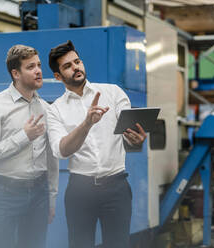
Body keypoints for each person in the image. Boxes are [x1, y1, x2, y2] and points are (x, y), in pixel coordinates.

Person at [46, 40, 146, 248]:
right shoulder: (55, 110)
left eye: (77, 61)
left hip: (116, 187)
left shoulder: (113, 92)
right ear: (57, 76)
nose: (76, 67)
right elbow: (61, 150)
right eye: (68, 66)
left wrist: (136, 140)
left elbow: (128, 133)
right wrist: (86, 124)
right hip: (80, 190)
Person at [0, 44, 59, 248]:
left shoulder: (46, 109)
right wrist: (24, 136)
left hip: (39, 192)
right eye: (30, 67)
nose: (38, 71)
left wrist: (52, 196)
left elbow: (52, 157)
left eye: (39, 65)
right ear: (16, 73)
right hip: (6, 193)